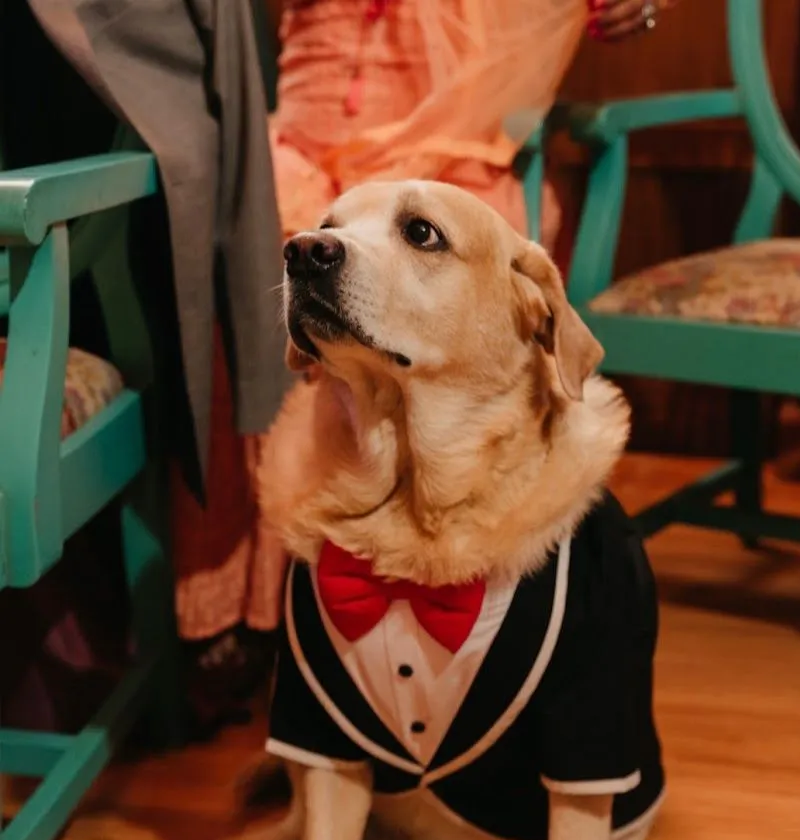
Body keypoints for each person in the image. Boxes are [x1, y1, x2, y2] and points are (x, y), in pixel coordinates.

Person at [171, 0, 683, 680]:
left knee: (451, 263)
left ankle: (478, 616)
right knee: (227, 244)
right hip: (300, 138)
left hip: (459, 141)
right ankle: (263, 612)